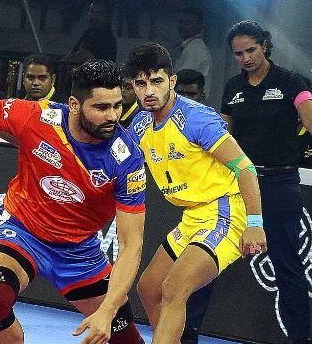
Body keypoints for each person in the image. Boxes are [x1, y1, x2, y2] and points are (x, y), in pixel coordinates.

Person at [0, 59, 148, 344]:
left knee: (125, 338)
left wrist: (107, 311)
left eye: (117, 106)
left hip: (80, 252)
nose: (112, 116)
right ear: (74, 105)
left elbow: (131, 245)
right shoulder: (36, 117)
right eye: (101, 107)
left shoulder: (127, 158)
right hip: (23, 232)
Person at [124, 43, 267, 344]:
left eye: (157, 81)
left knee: (174, 287)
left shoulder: (196, 118)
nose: (149, 90)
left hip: (226, 211)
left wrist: (255, 223)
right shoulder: (140, 124)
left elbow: (245, 168)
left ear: (172, 81)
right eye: (141, 83)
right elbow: (117, 162)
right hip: (193, 217)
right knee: (149, 288)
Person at [221, 20, 312, 344]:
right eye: (238, 53)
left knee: (287, 265)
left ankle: (301, 338)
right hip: (238, 184)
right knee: (208, 256)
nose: (245, 58)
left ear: (265, 46)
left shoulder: (291, 82)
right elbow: (224, 135)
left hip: (280, 183)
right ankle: (187, 333)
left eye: (251, 50)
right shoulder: (233, 87)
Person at [173, 68, 212, 344]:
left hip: (211, 211)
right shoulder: (156, 122)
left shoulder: (208, 124)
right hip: (176, 207)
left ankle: (189, 335)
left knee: (191, 283)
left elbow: (242, 167)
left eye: (192, 93)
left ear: (203, 96)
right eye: (182, 93)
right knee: (156, 286)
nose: (187, 98)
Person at [62, 0, 118, 64]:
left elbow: (82, 56)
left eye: (100, 13)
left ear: (108, 16)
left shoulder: (106, 38)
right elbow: (73, 54)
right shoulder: (88, 33)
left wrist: (61, 63)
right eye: (92, 12)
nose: (94, 16)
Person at [173, 7, 212, 98]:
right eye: (181, 22)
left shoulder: (196, 49)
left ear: (199, 25)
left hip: (189, 101)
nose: (183, 26)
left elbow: (183, 80)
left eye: (188, 23)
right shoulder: (189, 47)